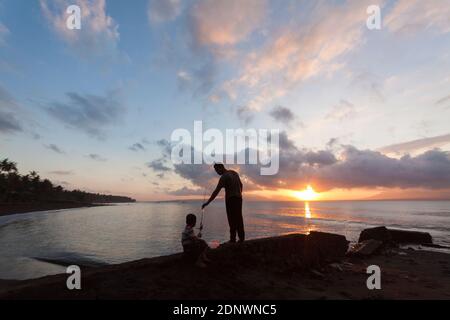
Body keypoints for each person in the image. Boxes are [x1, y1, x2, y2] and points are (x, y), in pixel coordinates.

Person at [202, 163, 245, 243]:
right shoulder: (234, 173)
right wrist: (239, 194)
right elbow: (241, 185)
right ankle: (241, 238)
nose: (217, 172)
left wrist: (207, 202)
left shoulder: (223, 177)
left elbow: (216, 191)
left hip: (231, 199)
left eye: (217, 170)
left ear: (221, 168)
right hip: (239, 198)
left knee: (231, 219)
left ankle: (233, 239)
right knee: (239, 218)